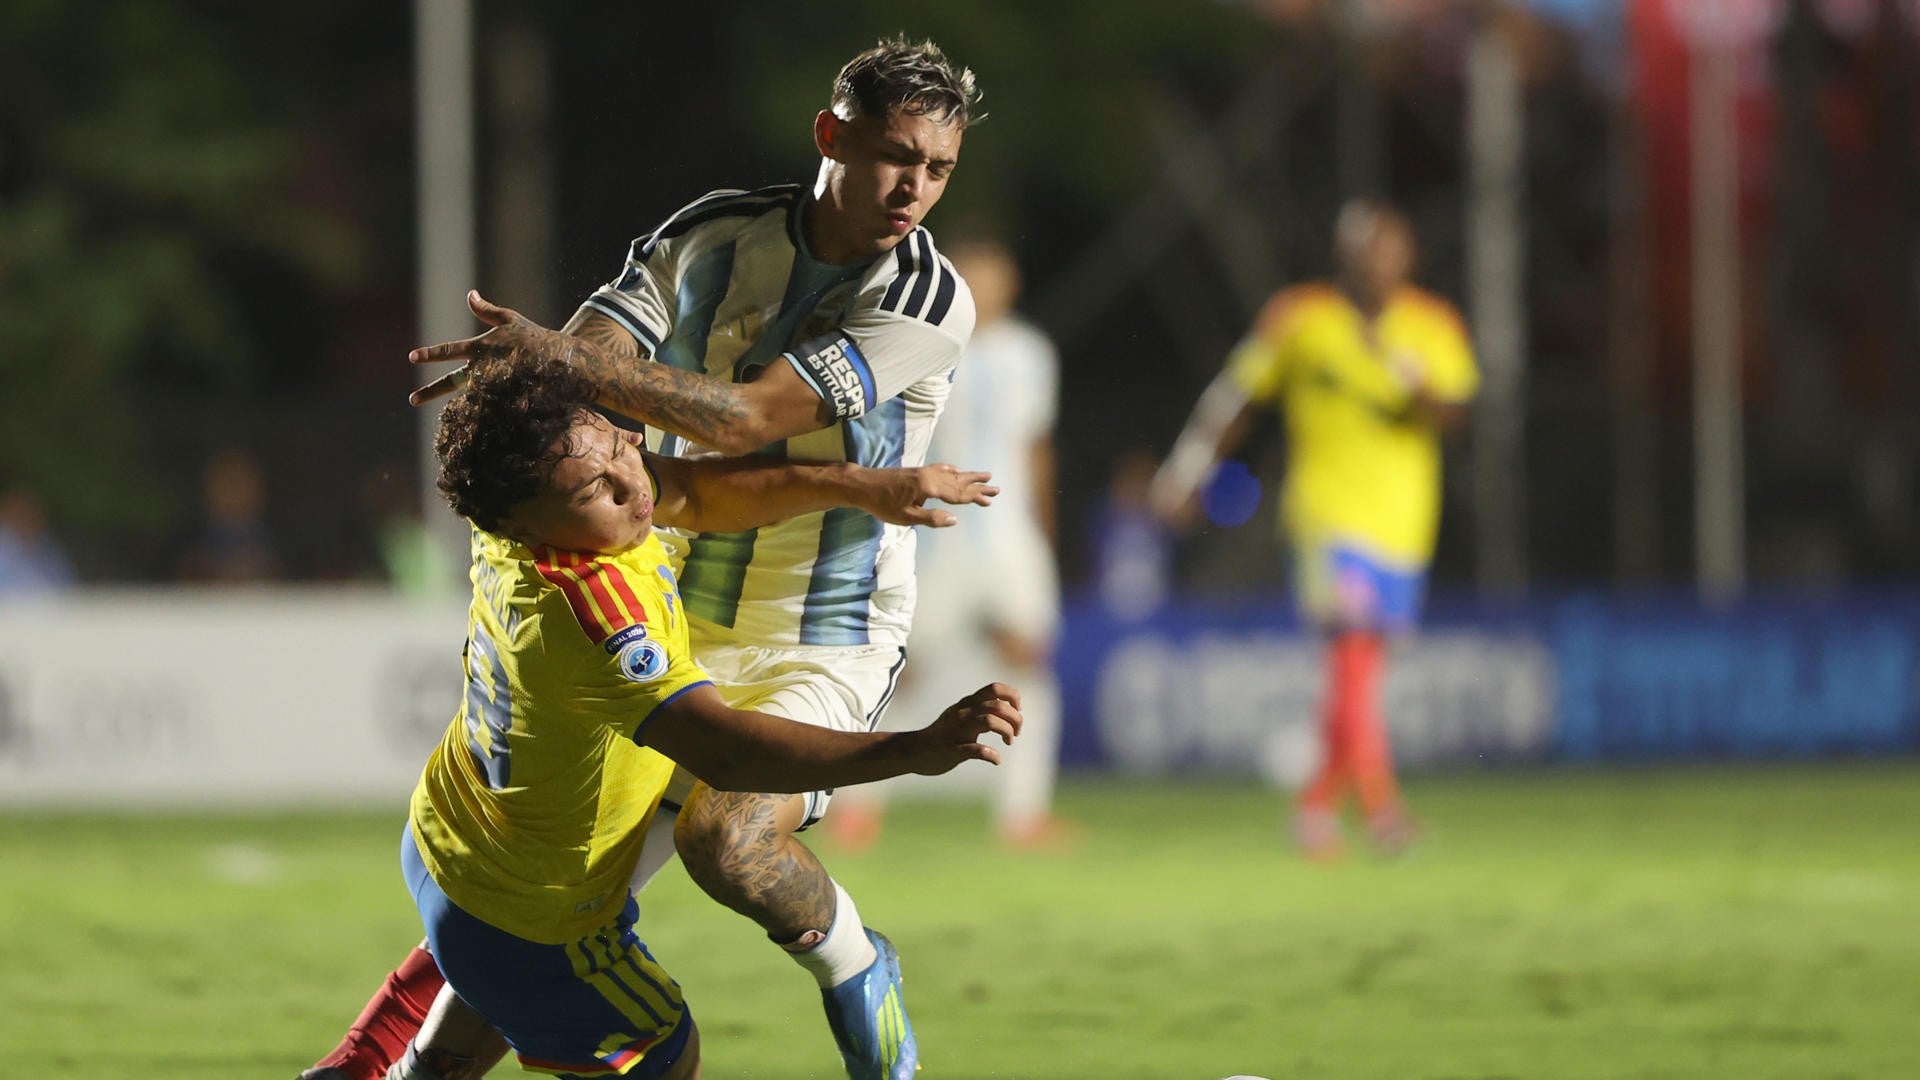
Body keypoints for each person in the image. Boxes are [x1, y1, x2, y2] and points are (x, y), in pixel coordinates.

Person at [302, 37, 981, 1080]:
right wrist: (550, 377)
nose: (914, 189)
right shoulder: (712, 237)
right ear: (830, 134)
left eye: (937, 168)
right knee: (553, 897)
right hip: (667, 577)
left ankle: (856, 962)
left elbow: (744, 417)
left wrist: (554, 358)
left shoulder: (929, 301)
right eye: (895, 154)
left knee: (727, 841)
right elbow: (579, 381)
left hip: (823, 622)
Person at [381, 350, 1017, 1080]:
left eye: (622, 443)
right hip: (537, 919)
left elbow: (689, 492)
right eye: (597, 487)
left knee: (459, 1032)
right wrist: (913, 749)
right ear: (525, 519)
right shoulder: (592, 619)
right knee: (664, 1051)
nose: (633, 485)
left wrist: (865, 488)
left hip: (447, 838)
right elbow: (728, 752)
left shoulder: (512, 512)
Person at [1149, 199, 1478, 859]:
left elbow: (1455, 414)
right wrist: (1186, 469)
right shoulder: (1301, 317)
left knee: (1358, 674)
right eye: (1363, 252)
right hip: (1327, 519)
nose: (1376, 265)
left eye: (1388, 252)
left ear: (1406, 259)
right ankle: (1384, 813)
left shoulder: (1432, 324)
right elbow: (1235, 397)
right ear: (1343, 258)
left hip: (1405, 526)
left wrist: (1416, 388)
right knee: (1352, 654)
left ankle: (1316, 805)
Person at [829, 235, 1076, 849]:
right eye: (976, 274)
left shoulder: (1030, 352)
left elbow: (1036, 447)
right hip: (939, 536)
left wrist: (1045, 532)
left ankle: (1024, 814)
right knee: (898, 668)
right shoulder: (927, 344)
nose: (987, 285)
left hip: (1008, 539)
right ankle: (855, 804)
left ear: (1011, 282)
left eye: (997, 274)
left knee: (1028, 662)